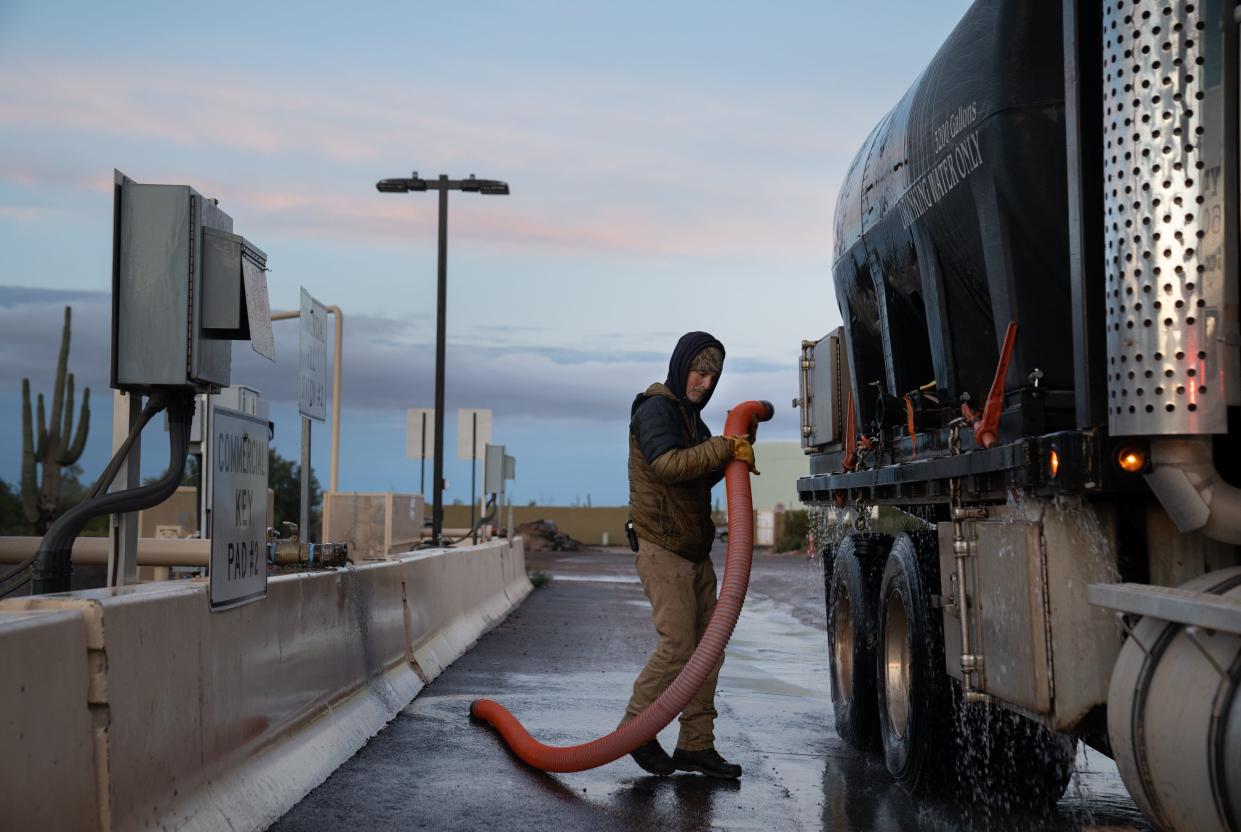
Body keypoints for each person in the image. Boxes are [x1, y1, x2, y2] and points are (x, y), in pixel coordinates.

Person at [620, 331, 757, 780]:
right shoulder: (657, 408)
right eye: (699, 370)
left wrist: (728, 459)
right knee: (679, 647)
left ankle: (696, 745)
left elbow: (693, 477)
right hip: (663, 550)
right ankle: (634, 731)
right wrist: (722, 447)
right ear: (681, 367)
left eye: (713, 374)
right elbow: (667, 465)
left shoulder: (690, 418)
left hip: (695, 553)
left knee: (707, 652)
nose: (705, 381)